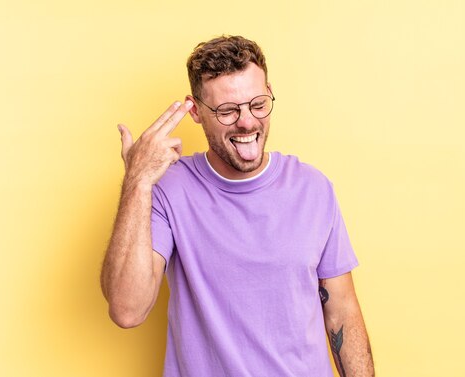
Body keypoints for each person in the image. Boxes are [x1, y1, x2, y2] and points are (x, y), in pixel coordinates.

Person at [100, 35, 374, 377]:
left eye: (257, 104)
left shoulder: (313, 188)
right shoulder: (169, 189)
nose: (247, 122)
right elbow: (128, 310)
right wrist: (138, 181)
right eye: (228, 110)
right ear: (196, 110)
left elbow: (342, 310)